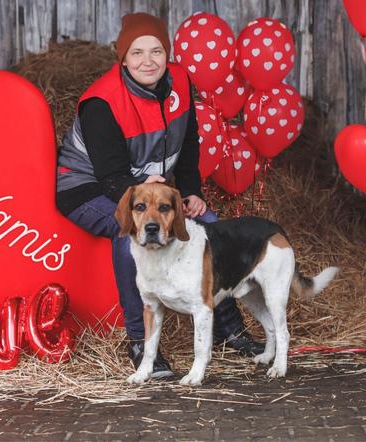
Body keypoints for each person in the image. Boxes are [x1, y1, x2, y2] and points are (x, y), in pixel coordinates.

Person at [56, 12, 263, 379]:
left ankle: (227, 328)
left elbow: (188, 144)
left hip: (149, 186)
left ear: (167, 54)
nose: (147, 61)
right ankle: (140, 343)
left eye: (156, 51)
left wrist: (192, 192)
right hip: (89, 187)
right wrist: (153, 191)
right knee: (129, 236)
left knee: (211, 225)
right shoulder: (100, 103)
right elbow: (110, 177)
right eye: (136, 53)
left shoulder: (181, 81)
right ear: (122, 58)